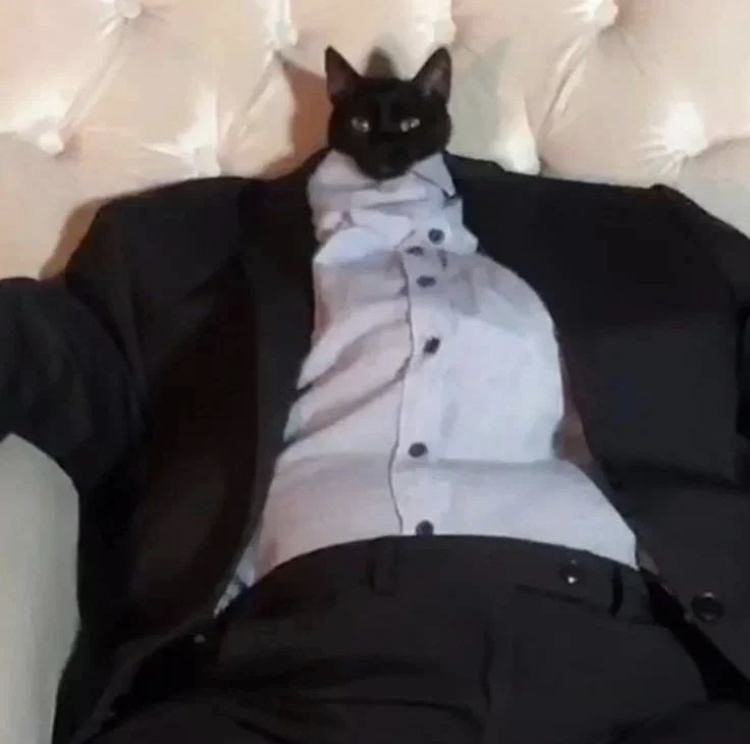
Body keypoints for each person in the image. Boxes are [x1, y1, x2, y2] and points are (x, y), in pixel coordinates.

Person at [3, 47, 750, 744]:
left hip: (629, 671)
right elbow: (52, 359)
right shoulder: (174, 243)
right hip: (288, 671)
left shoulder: (634, 234)